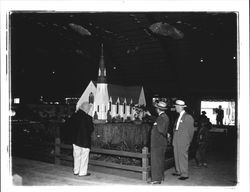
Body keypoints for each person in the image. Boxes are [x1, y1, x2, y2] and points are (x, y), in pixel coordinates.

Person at [68, 102, 94, 176]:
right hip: (84, 141)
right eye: (89, 108)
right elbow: (91, 129)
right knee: (84, 157)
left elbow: (70, 127)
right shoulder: (88, 118)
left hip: (75, 140)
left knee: (76, 155)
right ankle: (82, 172)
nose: (89, 110)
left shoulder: (74, 116)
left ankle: (76, 171)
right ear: (86, 109)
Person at [147, 101, 170, 184]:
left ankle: (156, 179)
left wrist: (156, 125)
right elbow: (159, 123)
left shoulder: (162, 118)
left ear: (158, 109)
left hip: (157, 143)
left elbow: (161, 129)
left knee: (156, 161)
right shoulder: (163, 117)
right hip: (160, 142)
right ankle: (160, 177)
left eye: (156, 108)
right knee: (160, 160)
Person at [172, 100, 195, 180]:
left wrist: (188, 141)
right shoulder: (179, 116)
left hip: (184, 139)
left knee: (182, 156)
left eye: (176, 107)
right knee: (176, 154)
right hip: (177, 138)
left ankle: (184, 174)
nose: (175, 108)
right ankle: (178, 171)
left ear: (180, 107)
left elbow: (191, 131)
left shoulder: (188, 117)